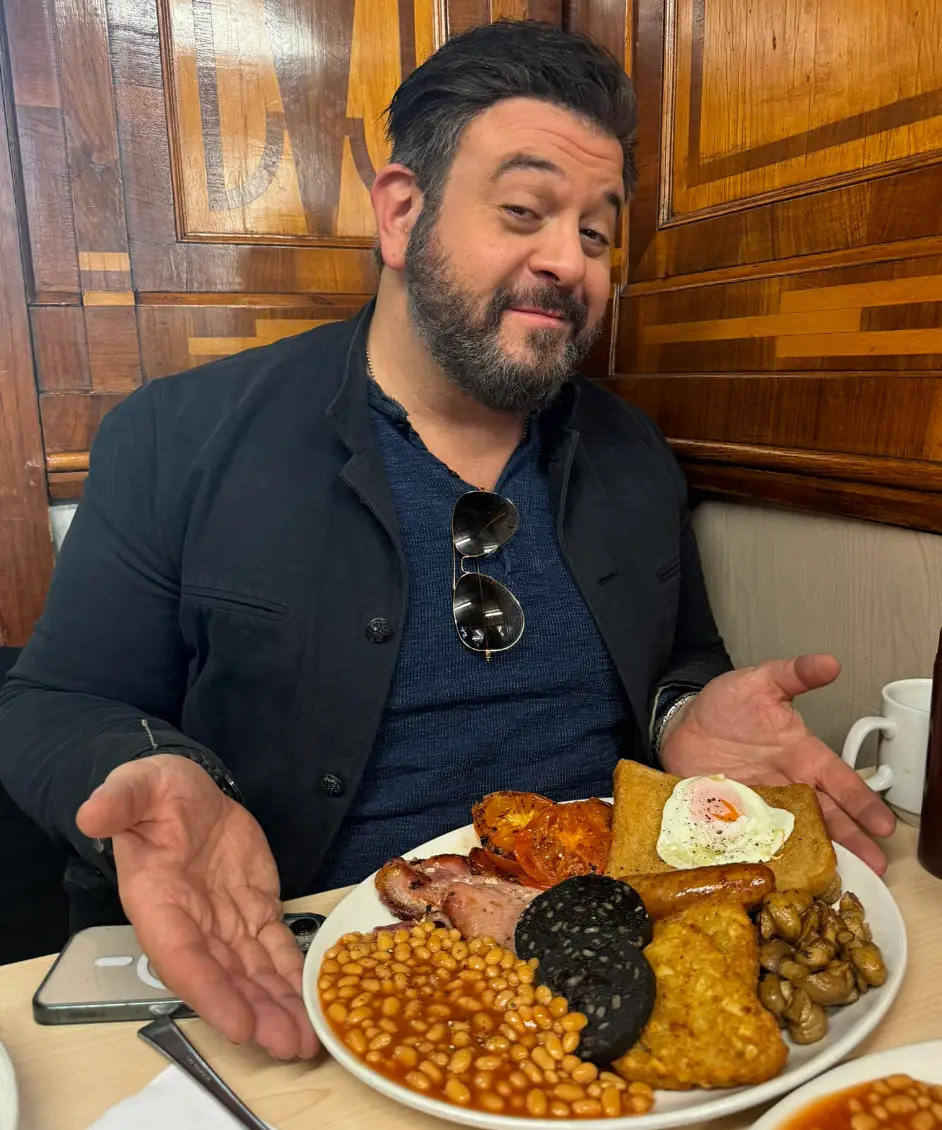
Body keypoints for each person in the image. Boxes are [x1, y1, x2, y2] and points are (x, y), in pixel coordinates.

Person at [0, 20, 894, 1061]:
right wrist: (156, 769)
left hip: (608, 981)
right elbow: (52, 700)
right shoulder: (177, 437)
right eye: (523, 211)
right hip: (289, 971)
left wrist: (688, 712)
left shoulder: (632, 454)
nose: (568, 260)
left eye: (597, 233)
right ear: (401, 212)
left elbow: (681, 659)